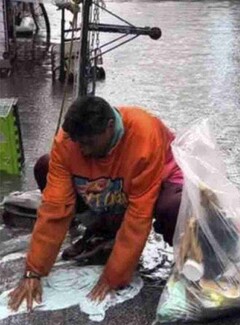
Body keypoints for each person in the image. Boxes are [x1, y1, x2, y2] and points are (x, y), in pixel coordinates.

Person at [8, 96, 183, 311]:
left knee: (174, 206)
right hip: (109, 187)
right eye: (78, 143)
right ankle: (104, 229)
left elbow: (139, 217)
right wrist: (34, 270)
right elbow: (55, 207)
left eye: (89, 143)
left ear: (110, 127)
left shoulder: (144, 135)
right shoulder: (68, 141)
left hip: (156, 183)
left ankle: (192, 262)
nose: (84, 151)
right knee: (46, 165)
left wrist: (113, 277)